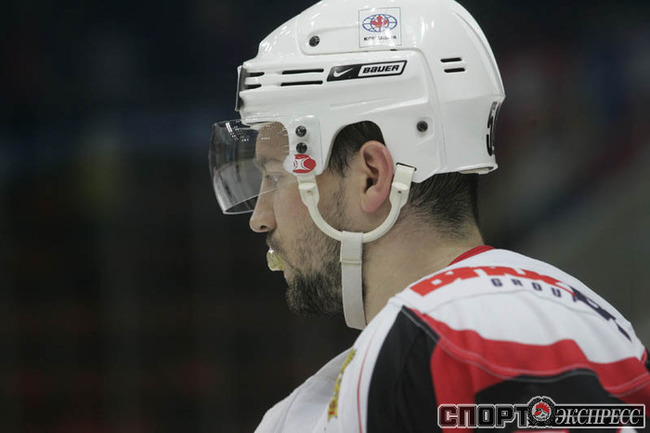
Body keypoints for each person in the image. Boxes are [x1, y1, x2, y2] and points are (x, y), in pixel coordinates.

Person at [209, 0, 650, 431]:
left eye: (275, 174)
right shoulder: (605, 325)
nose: (260, 218)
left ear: (371, 177)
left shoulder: (439, 343)